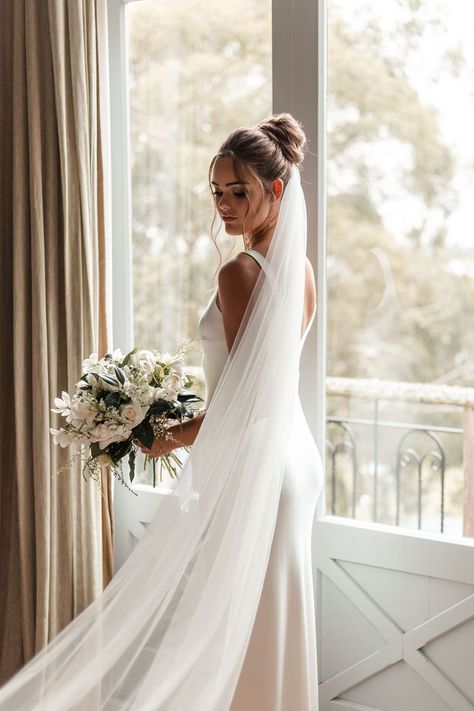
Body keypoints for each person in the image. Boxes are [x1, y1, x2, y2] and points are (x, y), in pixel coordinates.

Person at [0, 113, 323, 710]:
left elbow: (246, 400)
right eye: (217, 192)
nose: (225, 205)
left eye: (240, 192)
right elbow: (264, 386)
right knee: (270, 610)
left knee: (236, 618)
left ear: (276, 191)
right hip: (293, 458)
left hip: (256, 458)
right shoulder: (298, 268)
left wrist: (168, 436)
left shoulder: (240, 272)